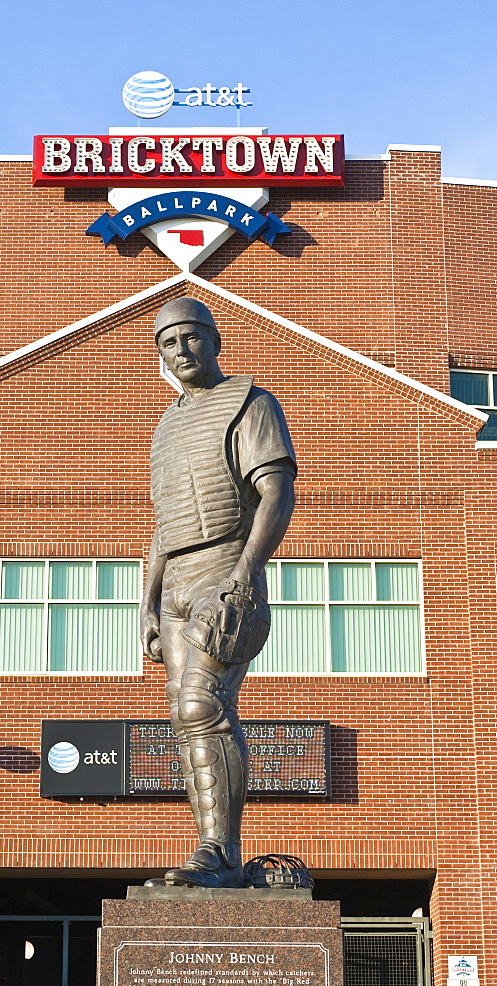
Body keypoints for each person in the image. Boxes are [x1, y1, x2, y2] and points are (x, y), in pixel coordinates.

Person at [140, 297, 296, 888]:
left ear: (214, 340)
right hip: (176, 578)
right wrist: (147, 604)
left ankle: (219, 851)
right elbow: (164, 522)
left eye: (192, 338)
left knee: (202, 706)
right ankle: (212, 849)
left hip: (226, 566)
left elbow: (276, 491)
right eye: (169, 343)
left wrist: (248, 570)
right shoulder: (168, 424)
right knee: (185, 720)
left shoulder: (250, 403)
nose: (182, 351)